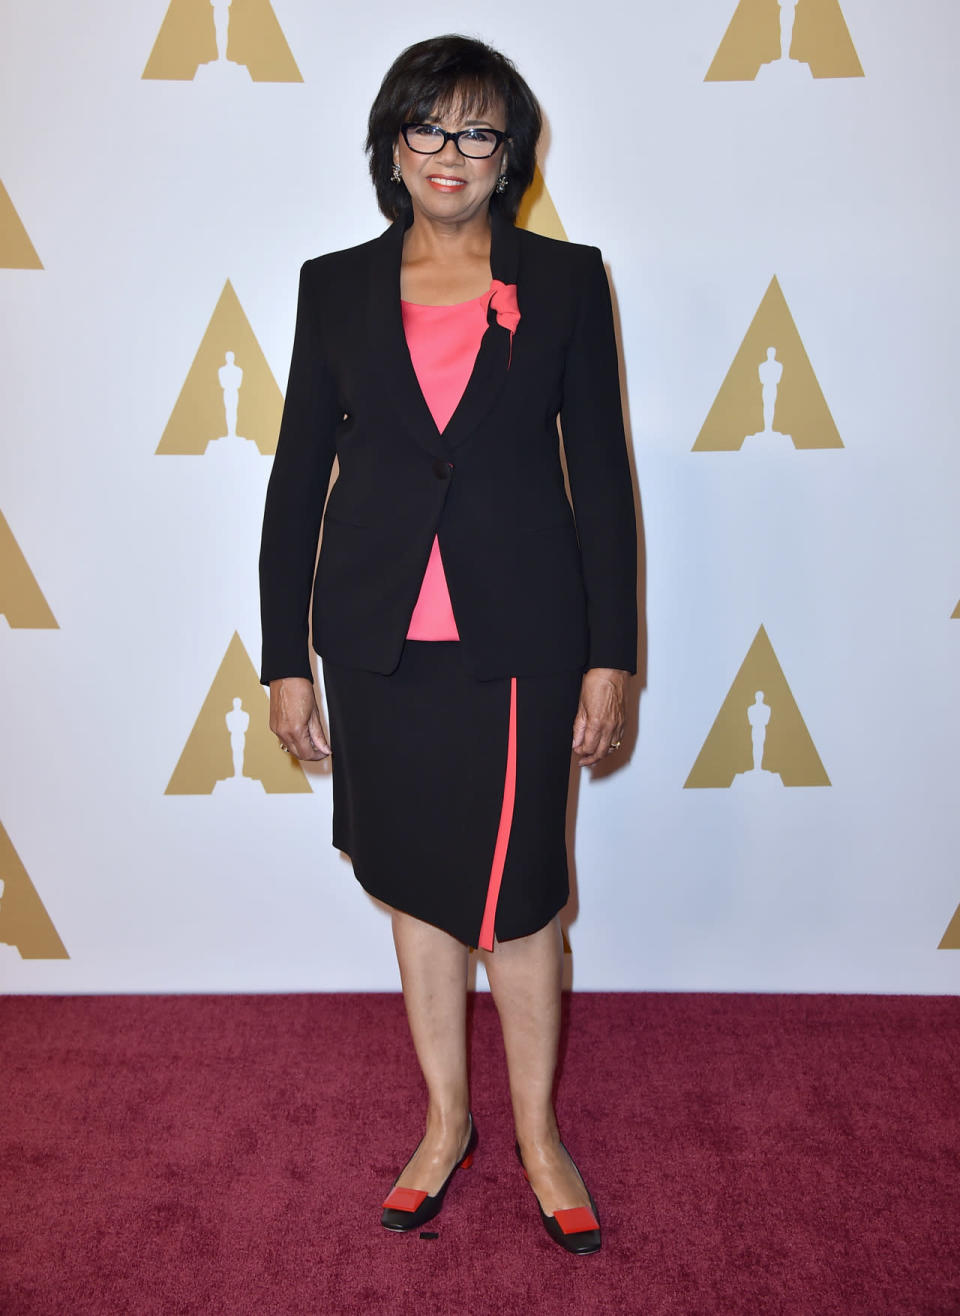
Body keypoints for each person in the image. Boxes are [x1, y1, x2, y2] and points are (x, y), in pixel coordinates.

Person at [259, 35, 637, 1256]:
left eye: (477, 131)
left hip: (521, 641)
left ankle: (536, 1133)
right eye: (426, 127)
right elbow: (294, 483)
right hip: (376, 646)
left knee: (522, 901)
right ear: (391, 143)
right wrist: (284, 656)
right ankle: (443, 1123)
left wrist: (610, 653)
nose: (449, 154)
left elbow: (605, 480)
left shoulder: (567, 280)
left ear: (509, 153)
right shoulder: (333, 286)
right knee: (418, 895)